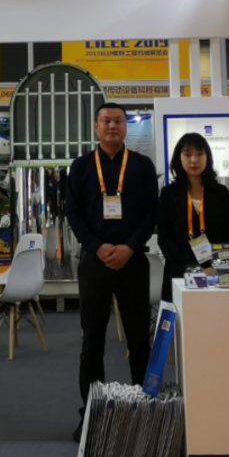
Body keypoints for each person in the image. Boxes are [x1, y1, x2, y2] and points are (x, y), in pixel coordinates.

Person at [65, 102, 158, 430]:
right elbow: (73, 212)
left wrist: (130, 247)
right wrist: (97, 246)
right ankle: (92, 413)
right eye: (105, 121)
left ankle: (146, 410)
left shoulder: (142, 166)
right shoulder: (81, 167)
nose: (112, 126)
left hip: (133, 261)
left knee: (139, 340)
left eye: (118, 121)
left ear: (125, 126)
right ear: (96, 126)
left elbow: (151, 213)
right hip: (95, 261)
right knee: (92, 341)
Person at [156, 132, 229, 300]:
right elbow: (165, 238)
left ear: (208, 157)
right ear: (179, 158)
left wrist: (218, 270)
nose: (194, 160)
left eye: (199, 154)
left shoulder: (221, 193)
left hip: (215, 275)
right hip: (179, 274)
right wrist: (194, 270)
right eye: (187, 155)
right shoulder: (169, 194)